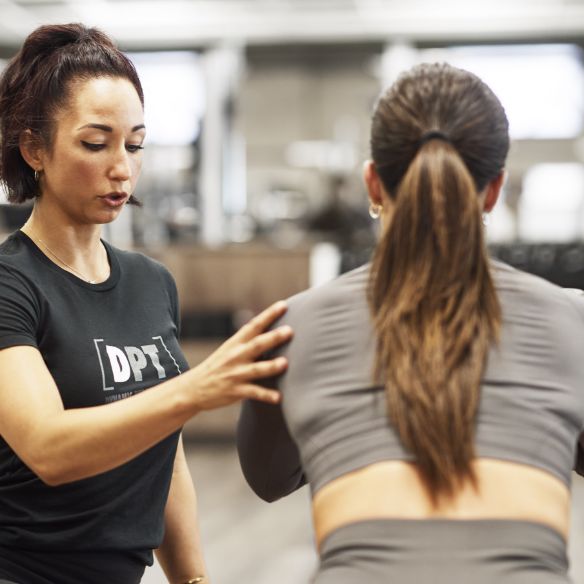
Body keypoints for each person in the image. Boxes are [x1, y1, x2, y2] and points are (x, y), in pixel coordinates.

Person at [237, 62, 584, 583]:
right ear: (494, 190)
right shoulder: (572, 318)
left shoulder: (291, 326)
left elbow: (268, 478)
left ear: (373, 183)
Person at [0, 23, 293, 584]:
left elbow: (163, 452)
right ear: (34, 148)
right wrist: (196, 389)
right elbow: (48, 448)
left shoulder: (151, 282)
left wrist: (192, 578)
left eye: (134, 145)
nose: (123, 168)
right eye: (95, 143)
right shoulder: (12, 284)